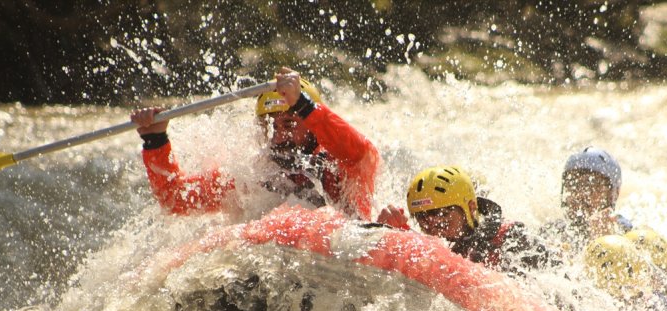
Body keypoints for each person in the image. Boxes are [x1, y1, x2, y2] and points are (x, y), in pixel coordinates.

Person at [130, 67, 380, 221]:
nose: (281, 137)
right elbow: (175, 199)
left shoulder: (342, 168)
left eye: (290, 124)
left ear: (311, 122)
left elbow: (363, 152)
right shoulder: (253, 177)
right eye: (273, 126)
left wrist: (303, 105)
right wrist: (156, 140)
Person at [377, 166, 559, 275]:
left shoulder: (511, 240)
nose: (432, 223)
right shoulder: (435, 245)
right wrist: (386, 232)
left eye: (441, 212)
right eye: (422, 216)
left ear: (471, 208)